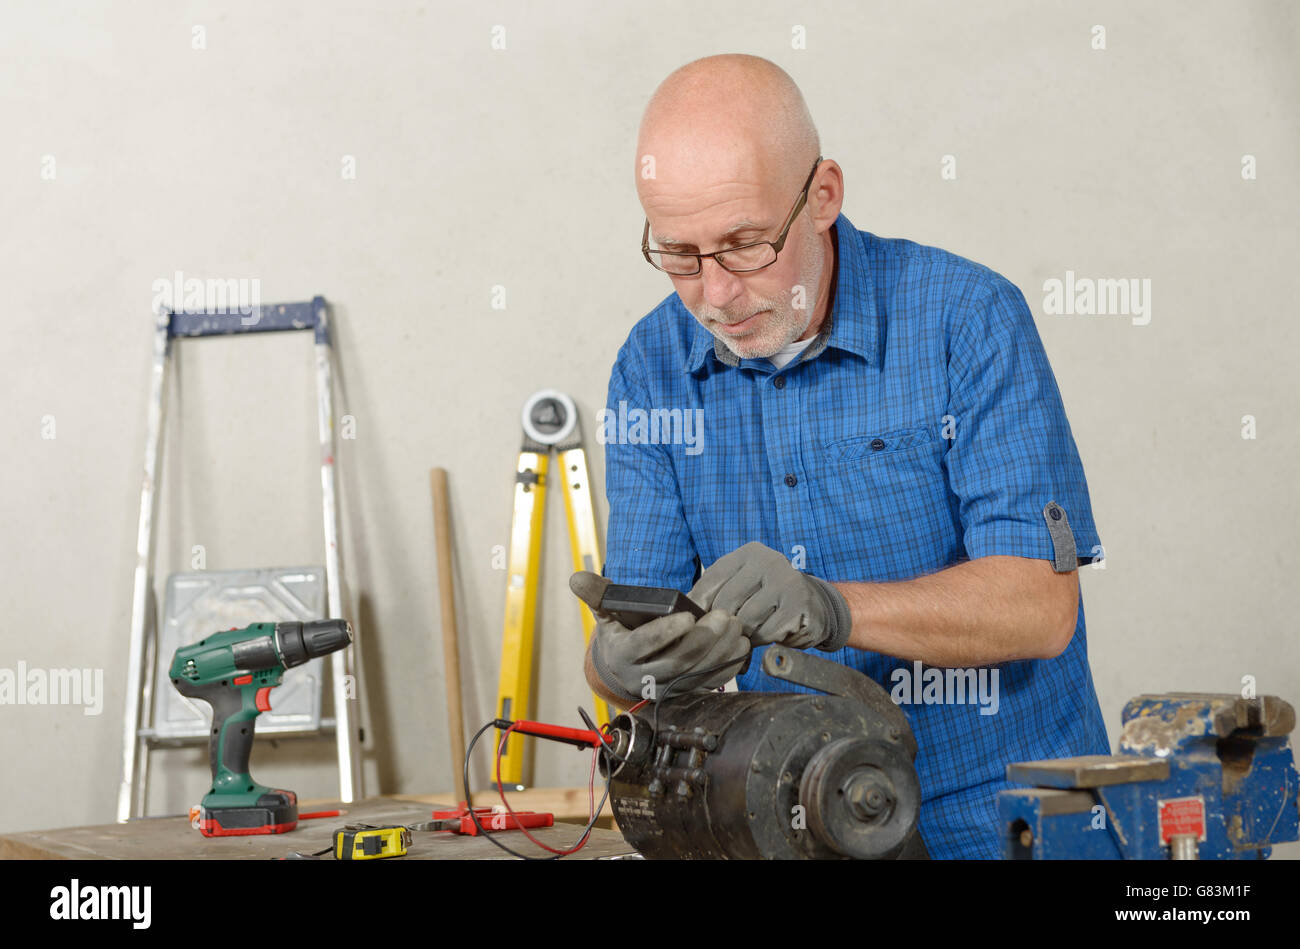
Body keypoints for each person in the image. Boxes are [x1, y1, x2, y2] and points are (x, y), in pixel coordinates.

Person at [573, 53, 1109, 860]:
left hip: (1000, 822)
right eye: (679, 254)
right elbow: (648, 642)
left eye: (746, 244)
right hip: (788, 825)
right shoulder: (651, 366)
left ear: (823, 195)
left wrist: (833, 608)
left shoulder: (966, 319)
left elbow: (1039, 605)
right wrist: (620, 663)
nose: (713, 295)